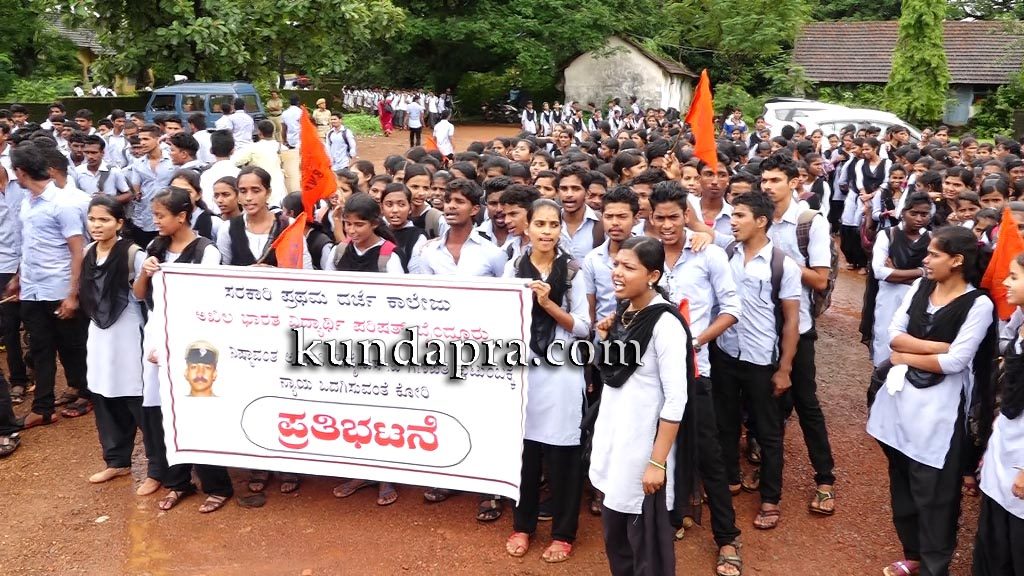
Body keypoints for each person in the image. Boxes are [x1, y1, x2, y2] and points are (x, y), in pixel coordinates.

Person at [866, 226, 995, 576]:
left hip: (940, 411)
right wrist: (937, 348)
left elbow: (956, 363)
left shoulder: (978, 304)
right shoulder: (921, 287)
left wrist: (906, 356)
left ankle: (935, 566)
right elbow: (894, 336)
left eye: (934, 254)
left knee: (936, 493)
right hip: (899, 404)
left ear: (957, 261)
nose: (925, 259)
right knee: (903, 482)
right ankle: (913, 554)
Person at [650, 181, 744, 575]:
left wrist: (696, 341)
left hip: (695, 371)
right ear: (650, 218)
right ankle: (667, 519)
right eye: (660, 218)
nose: (667, 225)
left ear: (686, 215)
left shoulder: (710, 254)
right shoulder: (645, 252)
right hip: (651, 374)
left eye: (674, 217)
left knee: (709, 455)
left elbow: (732, 309)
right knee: (657, 450)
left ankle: (727, 538)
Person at [589, 235, 696, 576]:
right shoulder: (625, 315)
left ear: (652, 275)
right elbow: (614, 373)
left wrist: (656, 463)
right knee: (617, 540)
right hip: (615, 442)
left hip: (642, 450)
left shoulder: (665, 325)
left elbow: (676, 399)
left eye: (628, 267)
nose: (617, 273)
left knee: (646, 550)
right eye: (616, 264)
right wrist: (605, 338)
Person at [133, 187, 233, 510]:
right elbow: (139, 294)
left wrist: (175, 344)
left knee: (196, 408)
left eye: (160, 215)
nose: (155, 221)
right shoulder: (155, 247)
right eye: (154, 215)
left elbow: (208, 302)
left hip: (194, 338)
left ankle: (217, 484)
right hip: (156, 333)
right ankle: (177, 481)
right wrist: (145, 273)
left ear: (182, 217)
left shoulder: (206, 251)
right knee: (163, 409)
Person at [504, 198, 589, 564]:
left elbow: (583, 327)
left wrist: (550, 304)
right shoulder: (513, 267)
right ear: (527, 227)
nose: (547, 231)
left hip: (561, 372)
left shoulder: (572, 271)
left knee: (563, 455)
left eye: (554, 225)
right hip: (524, 370)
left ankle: (563, 533)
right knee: (525, 454)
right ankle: (522, 526)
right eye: (540, 224)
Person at [760, 153, 838, 516]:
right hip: (761, 330)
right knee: (767, 406)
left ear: (794, 183)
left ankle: (825, 479)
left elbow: (820, 279)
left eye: (775, 180)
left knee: (806, 404)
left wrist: (777, 258)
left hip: (799, 326)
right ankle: (768, 475)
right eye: (764, 180)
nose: (767, 186)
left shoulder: (810, 223)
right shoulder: (758, 219)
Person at [6, 143, 90, 427]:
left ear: (21, 171)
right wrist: (19, 278)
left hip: (59, 288)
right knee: (40, 347)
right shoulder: (28, 202)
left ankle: (84, 391)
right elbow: (28, 245)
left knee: (72, 346)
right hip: (32, 289)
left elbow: (77, 251)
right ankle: (43, 408)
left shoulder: (62, 204)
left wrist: (72, 295)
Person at [80, 196, 152, 485]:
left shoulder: (134, 254)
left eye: (104, 220)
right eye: (92, 219)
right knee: (103, 390)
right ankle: (116, 460)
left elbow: (142, 296)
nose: (96, 225)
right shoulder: (88, 251)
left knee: (135, 391)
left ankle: (159, 466)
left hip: (128, 329)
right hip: (99, 330)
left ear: (119, 223)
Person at [972, 253, 1024, 575]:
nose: (1005, 282)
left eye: (1015, 277)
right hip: (1007, 443)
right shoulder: (1018, 321)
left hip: (1020, 458)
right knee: (994, 538)